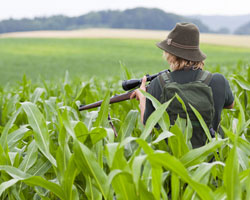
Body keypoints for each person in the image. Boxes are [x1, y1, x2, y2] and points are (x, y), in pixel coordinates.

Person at [131, 22, 234, 148]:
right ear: (196, 53)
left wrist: (143, 97)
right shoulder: (218, 81)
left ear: (170, 55)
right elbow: (230, 104)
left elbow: (149, 125)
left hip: (174, 160)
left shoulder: (159, 83)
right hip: (212, 160)